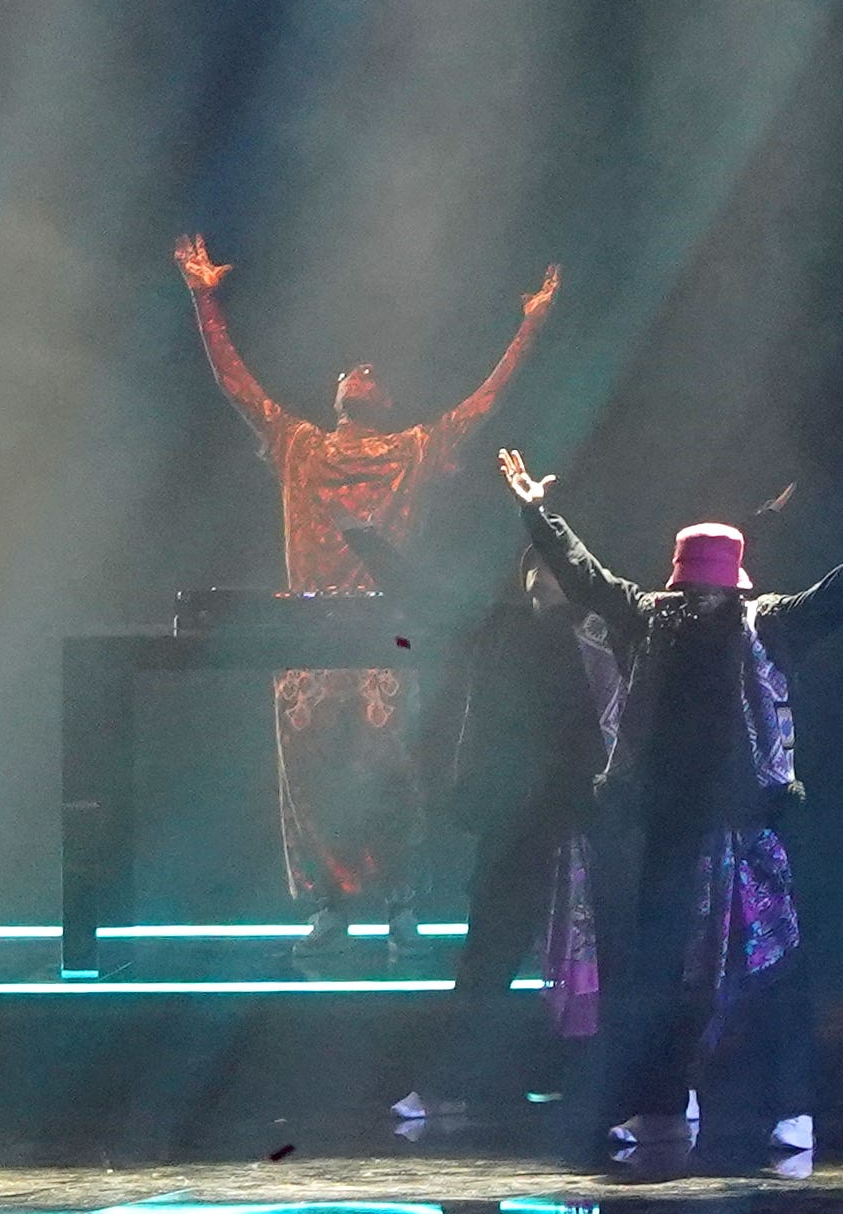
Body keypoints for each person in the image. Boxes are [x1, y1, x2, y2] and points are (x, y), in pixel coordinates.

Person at [501, 443, 843, 1164]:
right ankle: (662, 1103)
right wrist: (538, 513)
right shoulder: (656, 617)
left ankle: (788, 1106)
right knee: (664, 969)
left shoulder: (755, 623)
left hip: (745, 827)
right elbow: (587, 577)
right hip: (676, 825)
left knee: (766, 967)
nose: (699, 604)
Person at [178, 233, 558, 939]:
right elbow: (236, 383)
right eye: (352, 369)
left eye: (373, 372)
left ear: (383, 400)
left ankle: (401, 900)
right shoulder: (299, 445)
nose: (360, 370)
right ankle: (331, 903)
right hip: (308, 631)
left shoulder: (413, 450)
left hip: (384, 629)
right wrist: (204, 298)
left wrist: (530, 323)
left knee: (389, 772)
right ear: (337, 395)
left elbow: (484, 400)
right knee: (313, 775)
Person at [384, 526, 618, 1130]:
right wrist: (362, 538)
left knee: (615, 959)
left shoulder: (613, 628)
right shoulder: (504, 629)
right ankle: (447, 1084)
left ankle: (626, 1086)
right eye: (534, 569)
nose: (543, 579)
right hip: (519, 822)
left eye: (554, 568)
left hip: (594, 821)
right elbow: (426, 596)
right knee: (489, 954)